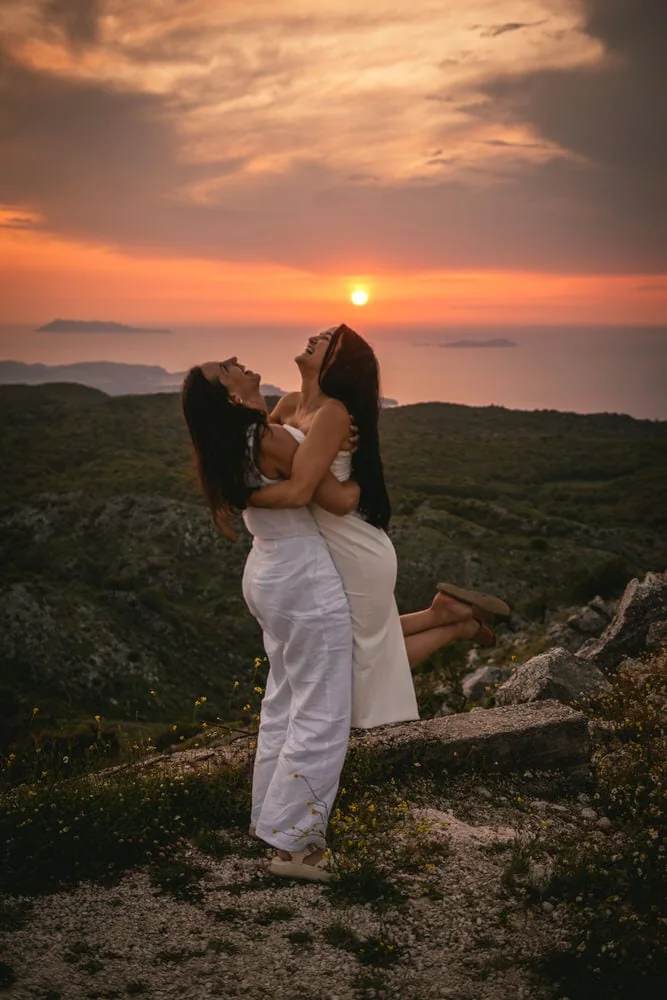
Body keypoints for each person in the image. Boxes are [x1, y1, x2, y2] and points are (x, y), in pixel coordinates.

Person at [249, 324, 510, 729]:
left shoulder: (333, 413)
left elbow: (330, 498)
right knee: (358, 641)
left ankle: (455, 627)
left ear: (339, 362)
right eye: (320, 334)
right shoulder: (287, 404)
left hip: (353, 545)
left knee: (364, 654)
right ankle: (446, 614)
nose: (315, 338)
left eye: (328, 340)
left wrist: (354, 489)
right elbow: (264, 458)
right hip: (324, 542)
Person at [181, 359, 360, 882]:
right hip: (302, 576)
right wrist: (352, 458)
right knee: (323, 710)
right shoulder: (273, 439)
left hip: (267, 571)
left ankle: (271, 820)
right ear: (231, 398)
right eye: (226, 370)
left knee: (283, 702)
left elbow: (288, 418)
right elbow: (337, 499)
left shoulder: (235, 443)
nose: (237, 363)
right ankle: (296, 848)